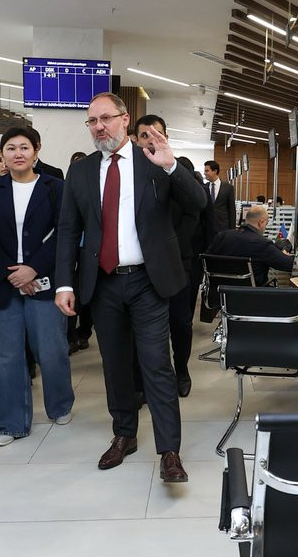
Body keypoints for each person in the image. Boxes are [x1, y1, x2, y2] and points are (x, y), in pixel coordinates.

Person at [55, 92, 206, 483]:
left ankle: (169, 450)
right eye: (92, 121)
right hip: (102, 282)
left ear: (125, 119)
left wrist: (171, 165)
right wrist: (64, 283)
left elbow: (198, 203)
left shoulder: (154, 160)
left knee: (156, 363)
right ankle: (124, 433)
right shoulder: (81, 172)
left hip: (147, 282)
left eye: (106, 118)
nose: (99, 127)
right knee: (115, 363)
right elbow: (68, 230)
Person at [0, 127, 73, 446]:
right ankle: (9, 423)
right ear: (2, 155)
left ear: (36, 151)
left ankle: (60, 404)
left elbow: (65, 232)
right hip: (2, 283)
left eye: (24, 147)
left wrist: (33, 268)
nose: (17, 153)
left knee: (51, 350)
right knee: (5, 356)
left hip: (44, 281)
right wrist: (12, 273)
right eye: (10, 148)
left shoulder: (55, 188)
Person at [134, 115, 205, 397]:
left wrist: (170, 247)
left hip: (177, 260)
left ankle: (182, 369)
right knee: (143, 326)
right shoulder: (131, 170)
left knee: (180, 322)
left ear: (166, 136)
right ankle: (143, 380)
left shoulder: (177, 170)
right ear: (135, 139)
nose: (151, 140)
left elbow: (194, 210)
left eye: (157, 134)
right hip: (141, 264)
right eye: (144, 135)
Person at [208, 205, 297, 287]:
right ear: (261, 222)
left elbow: (206, 258)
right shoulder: (262, 244)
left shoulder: (222, 236)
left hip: (218, 293)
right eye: (266, 224)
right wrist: (284, 255)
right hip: (251, 295)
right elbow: (290, 265)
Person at [65, 149, 94, 353]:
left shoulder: (95, 191)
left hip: (90, 252)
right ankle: (70, 336)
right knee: (72, 294)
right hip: (74, 251)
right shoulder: (68, 189)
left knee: (88, 298)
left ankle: (84, 333)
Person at [203, 160, 235, 241]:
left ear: (215, 171)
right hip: (207, 230)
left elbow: (232, 210)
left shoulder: (228, 188)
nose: (204, 173)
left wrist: (232, 231)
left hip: (223, 228)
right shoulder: (204, 187)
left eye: (207, 171)